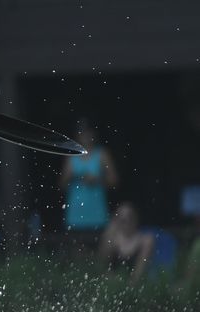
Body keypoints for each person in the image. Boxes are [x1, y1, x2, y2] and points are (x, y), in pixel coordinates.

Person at [60, 118, 118, 248]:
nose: (85, 136)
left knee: (100, 246)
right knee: (77, 248)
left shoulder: (102, 154)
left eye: (88, 133)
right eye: (82, 133)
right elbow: (62, 185)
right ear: (77, 136)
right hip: (76, 211)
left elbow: (114, 181)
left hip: (97, 210)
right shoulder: (71, 155)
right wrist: (70, 177)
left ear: (93, 134)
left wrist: (97, 179)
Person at [98, 201, 155, 285]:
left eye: (129, 217)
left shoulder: (145, 239)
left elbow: (141, 269)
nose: (126, 221)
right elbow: (102, 263)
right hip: (112, 282)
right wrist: (109, 232)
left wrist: (131, 283)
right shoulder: (112, 239)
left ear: (136, 218)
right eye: (121, 218)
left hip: (136, 283)